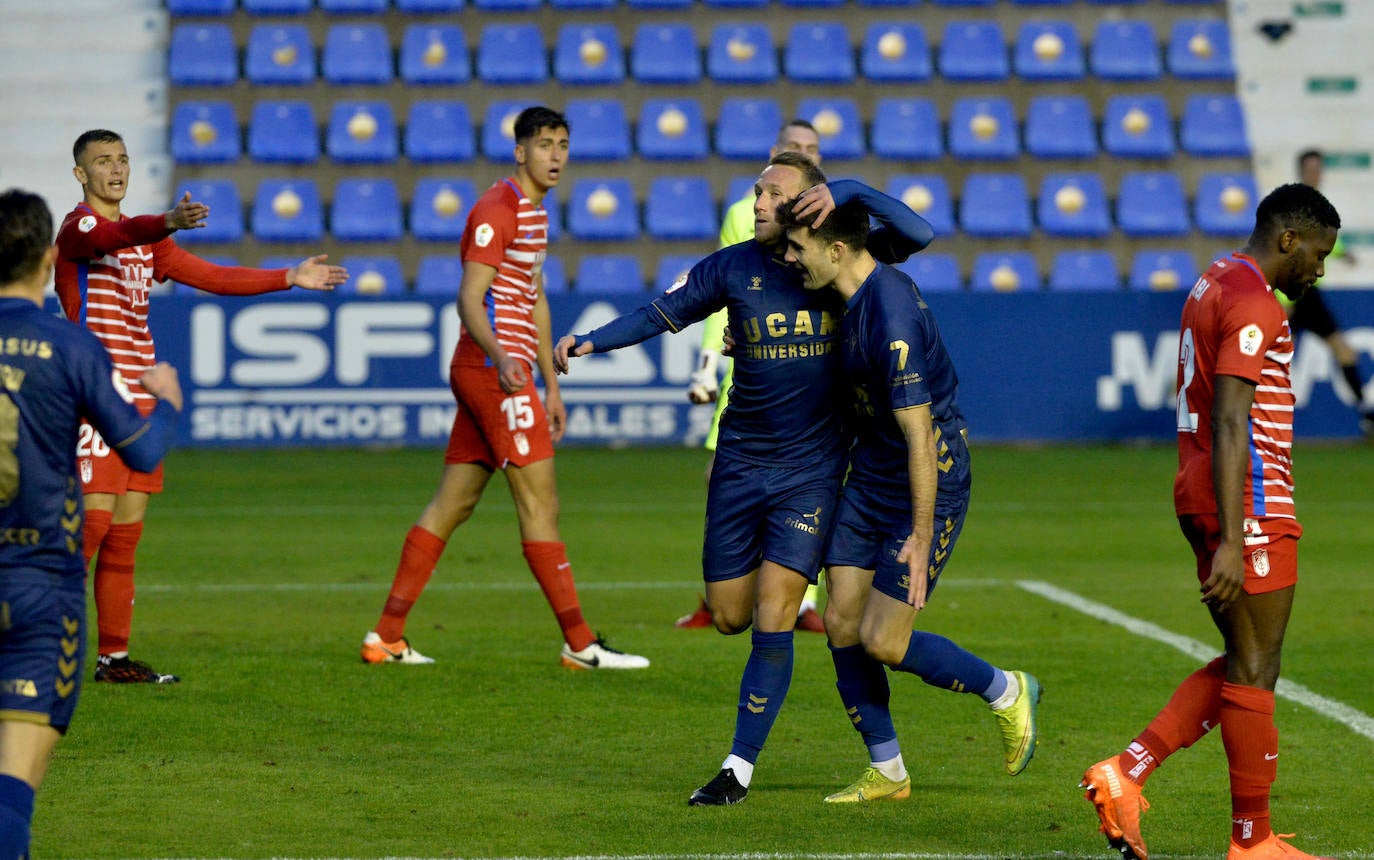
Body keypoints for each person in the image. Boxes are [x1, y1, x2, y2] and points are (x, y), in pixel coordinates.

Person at [554, 151, 934, 804]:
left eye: (770, 194)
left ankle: (738, 768)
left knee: (774, 612)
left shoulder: (837, 256)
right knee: (729, 614)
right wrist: (591, 341)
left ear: (805, 209)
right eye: (756, 193)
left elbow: (918, 234)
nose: (756, 203)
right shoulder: (733, 268)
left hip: (812, 474)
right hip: (738, 466)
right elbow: (658, 312)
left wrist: (843, 190)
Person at [1080, 183, 1341, 860]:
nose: (1319, 267)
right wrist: (1232, 537)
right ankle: (1251, 841)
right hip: (1247, 501)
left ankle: (1128, 772)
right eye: (1318, 252)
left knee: (1250, 660)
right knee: (1256, 667)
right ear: (1288, 238)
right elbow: (1231, 417)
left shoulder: (1216, 279)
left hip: (1205, 488)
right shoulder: (1255, 302)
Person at [55, 129, 347, 684]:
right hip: (92, 398)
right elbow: (119, 234)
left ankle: (113, 659)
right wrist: (165, 220)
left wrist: (287, 276)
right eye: (101, 162)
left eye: (121, 159)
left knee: (125, 535)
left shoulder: (148, 242)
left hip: (140, 400)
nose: (115, 170)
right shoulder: (81, 229)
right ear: (80, 175)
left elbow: (211, 277)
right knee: (84, 536)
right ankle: (36, 652)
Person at [361, 106, 648, 671]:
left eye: (563, 144)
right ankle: (580, 643)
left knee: (455, 501)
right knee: (541, 503)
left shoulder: (535, 213)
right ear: (520, 152)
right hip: (492, 370)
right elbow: (471, 296)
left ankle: (386, 636)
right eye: (544, 145)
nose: (556, 155)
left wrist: (552, 385)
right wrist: (503, 359)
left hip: (504, 371)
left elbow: (533, 299)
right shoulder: (496, 209)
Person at [777, 199, 1041, 804]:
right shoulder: (848, 281)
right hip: (871, 475)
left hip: (929, 480)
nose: (790, 260)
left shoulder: (890, 313)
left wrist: (920, 537)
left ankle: (1005, 689)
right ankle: (889, 772)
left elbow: (920, 435)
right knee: (840, 620)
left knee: (884, 642)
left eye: (800, 248)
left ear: (837, 250)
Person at [0, 188, 183, 859]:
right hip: (37, 592)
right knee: (14, 781)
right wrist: (164, 403)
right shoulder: (70, 345)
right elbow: (142, 449)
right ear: (51, 256)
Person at [677, 119, 827, 634]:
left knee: (811, 482)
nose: (803, 153)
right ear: (774, 153)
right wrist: (707, 366)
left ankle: (800, 600)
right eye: (793, 147)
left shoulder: (832, 221)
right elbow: (724, 297)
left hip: (806, 376)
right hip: (750, 373)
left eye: (811, 149)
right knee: (722, 475)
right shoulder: (745, 214)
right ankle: (731, 592)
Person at [1289, 149, 1373, 435]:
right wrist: (1281, 299)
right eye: (1310, 168)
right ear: (1301, 171)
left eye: (1318, 168)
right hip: (1291, 292)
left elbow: (1322, 242)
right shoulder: (1296, 206)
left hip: (1310, 294)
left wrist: (1342, 253)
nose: (1315, 173)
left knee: (1344, 350)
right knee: (1270, 357)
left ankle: (1365, 412)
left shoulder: (1318, 206)